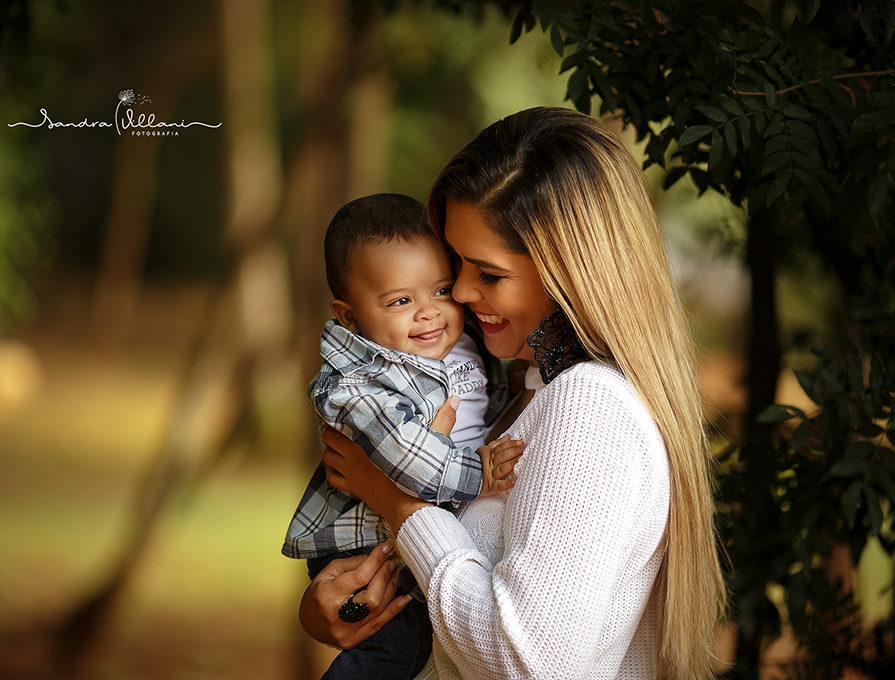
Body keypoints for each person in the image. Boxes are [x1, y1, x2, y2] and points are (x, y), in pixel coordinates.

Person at [303, 107, 728, 679]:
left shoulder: (591, 407)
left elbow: (530, 663)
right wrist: (344, 607)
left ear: (570, 272)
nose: (459, 289)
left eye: (490, 273)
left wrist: (402, 506)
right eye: (455, 262)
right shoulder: (524, 387)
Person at [283, 193, 524, 679]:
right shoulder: (362, 383)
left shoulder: (466, 344)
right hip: (370, 551)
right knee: (390, 652)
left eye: (440, 290)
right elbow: (409, 456)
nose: (430, 312)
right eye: (400, 301)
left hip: (420, 537)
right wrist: (480, 474)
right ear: (349, 316)